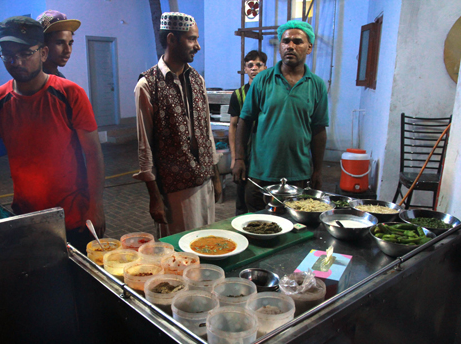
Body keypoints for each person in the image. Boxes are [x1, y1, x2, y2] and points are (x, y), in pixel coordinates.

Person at [0, 16, 105, 252]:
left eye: (26, 53)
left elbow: (94, 155)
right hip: (27, 216)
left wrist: (95, 207)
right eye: (8, 54)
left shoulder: (69, 94)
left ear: (43, 53)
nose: (16, 61)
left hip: (74, 217)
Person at [133, 12, 221, 238]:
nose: (197, 46)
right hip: (175, 192)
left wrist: (216, 177)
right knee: (180, 256)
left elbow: (206, 132)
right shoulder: (147, 85)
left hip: (204, 184)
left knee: (207, 245)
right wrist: (155, 198)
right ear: (171, 39)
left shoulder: (197, 79)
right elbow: (145, 147)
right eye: (192, 39)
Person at [232, 20, 329, 213]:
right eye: (285, 41)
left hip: (298, 175)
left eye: (297, 42)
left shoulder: (316, 85)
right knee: (256, 225)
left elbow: (318, 130)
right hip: (260, 173)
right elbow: (245, 121)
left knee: (294, 226)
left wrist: (317, 170)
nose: (290, 46)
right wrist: (240, 159)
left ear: (309, 48)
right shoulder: (262, 80)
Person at [228, 50, 268, 215]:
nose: (254, 68)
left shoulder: (270, 92)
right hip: (245, 152)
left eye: (258, 64)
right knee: (242, 197)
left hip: (265, 152)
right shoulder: (238, 95)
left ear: (265, 67)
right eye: (250, 65)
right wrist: (234, 157)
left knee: (263, 195)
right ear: (245, 69)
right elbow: (233, 126)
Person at [36, 10, 81, 78]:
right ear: (43, 44)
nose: (68, 50)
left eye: (70, 44)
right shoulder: (33, 80)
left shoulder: (61, 78)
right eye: (60, 43)